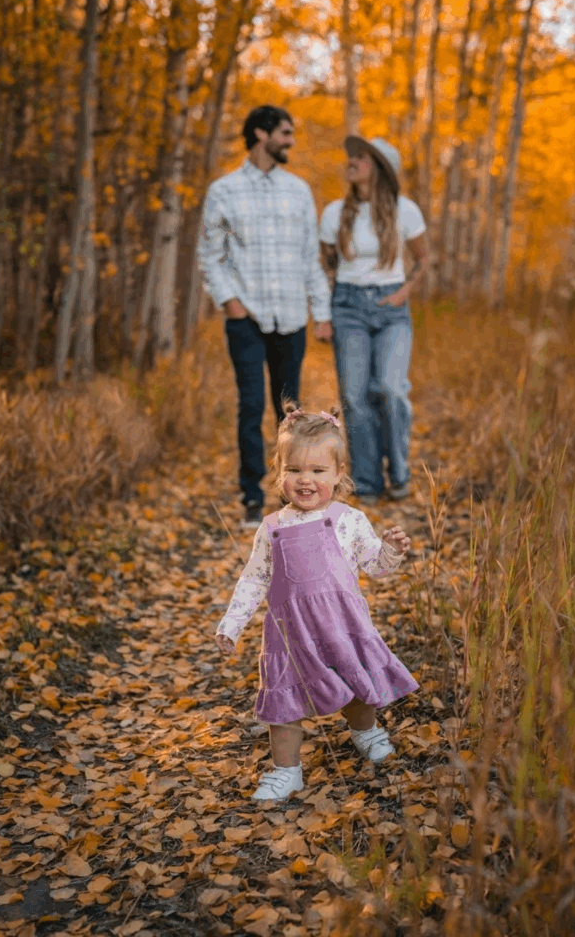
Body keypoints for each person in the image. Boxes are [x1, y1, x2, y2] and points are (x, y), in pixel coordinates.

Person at [214, 403, 418, 802]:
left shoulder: (349, 519)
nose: (305, 480)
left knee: (358, 685)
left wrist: (391, 551)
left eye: (318, 471)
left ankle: (364, 729)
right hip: (290, 636)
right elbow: (253, 580)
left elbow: (375, 566)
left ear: (340, 474)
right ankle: (286, 771)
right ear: (280, 472)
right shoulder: (271, 528)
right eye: (294, 470)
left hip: (342, 627)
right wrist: (231, 625)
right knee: (284, 702)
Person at [198, 105, 333, 528]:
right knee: (251, 404)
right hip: (246, 317)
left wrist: (321, 313)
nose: (291, 141)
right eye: (285, 133)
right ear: (261, 134)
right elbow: (210, 255)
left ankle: (289, 496)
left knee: (288, 413)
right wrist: (230, 303)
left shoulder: (298, 191)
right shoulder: (224, 190)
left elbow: (310, 259)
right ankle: (251, 497)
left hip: (291, 317)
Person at [319, 137, 430, 505]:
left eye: (362, 157)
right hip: (348, 306)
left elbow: (424, 259)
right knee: (354, 396)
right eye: (352, 155)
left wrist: (403, 293)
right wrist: (326, 311)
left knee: (390, 387)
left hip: (391, 307)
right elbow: (327, 263)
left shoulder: (405, 210)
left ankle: (399, 472)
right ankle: (367, 481)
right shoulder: (334, 212)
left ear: (380, 169)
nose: (352, 161)